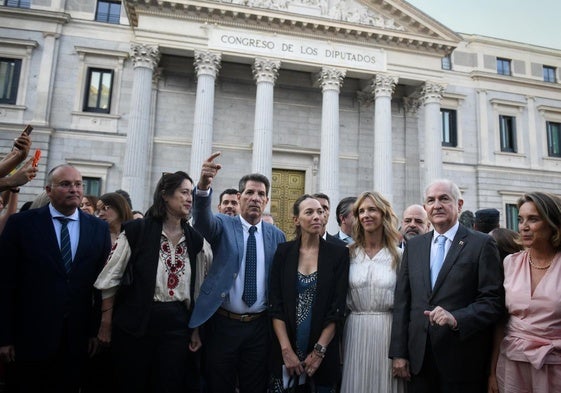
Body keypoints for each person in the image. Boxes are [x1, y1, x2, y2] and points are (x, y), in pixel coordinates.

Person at [94, 171, 212, 393]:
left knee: (168, 384)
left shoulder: (196, 241)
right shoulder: (137, 231)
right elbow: (110, 279)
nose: (189, 198)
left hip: (177, 327)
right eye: (184, 192)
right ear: (165, 195)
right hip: (136, 324)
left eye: (191, 194)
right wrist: (106, 323)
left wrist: (196, 329)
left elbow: (199, 290)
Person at [0, 164, 112, 392]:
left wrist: (94, 330)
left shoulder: (98, 228)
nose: (74, 189)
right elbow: (5, 283)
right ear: (49, 190)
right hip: (28, 339)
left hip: (76, 340)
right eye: (65, 184)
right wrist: (4, 337)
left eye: (78, 184)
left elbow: (100, 284)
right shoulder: (22, 224)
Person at [389, 179, 505, 393]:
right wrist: (399, 353)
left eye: (444, 199)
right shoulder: (414, 246)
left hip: (463, 359)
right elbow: (403, 302)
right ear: (426, 208)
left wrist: (457, 319)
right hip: (419, 360)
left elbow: (493, 301)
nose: (437, 205)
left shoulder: (481, 244)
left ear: (459, 205)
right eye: (431, 200)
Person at [189, 152, 286, 393]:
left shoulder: (277, 236)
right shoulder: (223, 224)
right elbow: (201, 221)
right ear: (240, 197)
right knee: (219, 384)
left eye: (261, 194)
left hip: (259, 328)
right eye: (250, 193)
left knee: (254, 386)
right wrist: (203, 186)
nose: (255, 198)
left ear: (267, 200)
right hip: (223, 325)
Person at [269, 195, 349, 392]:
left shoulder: (339, 254)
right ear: (296, 220)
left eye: (321, 212)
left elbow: (337, 308)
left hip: (323, 351)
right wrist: (286, 350)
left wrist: (319, 351)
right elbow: (275, 304)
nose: (317, 217)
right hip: (285, 350)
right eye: (309, 212)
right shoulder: (283, 252)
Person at [489, 192, 561, 393]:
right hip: (512, 363)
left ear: (552, 224)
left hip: (555, 366)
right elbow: (501, 321)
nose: (524, 226)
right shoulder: (510, 263)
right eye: (520, 220)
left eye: (533, 219)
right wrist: (492, 372)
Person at [340, 191, 405, 393]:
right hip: (354, 331)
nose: (366, 214)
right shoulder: (348, 254)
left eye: (372, 209)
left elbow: (406, 305)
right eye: (361, 211)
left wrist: (401, 352)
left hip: (388, 333)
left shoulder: (400, 256)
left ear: (384, 214)